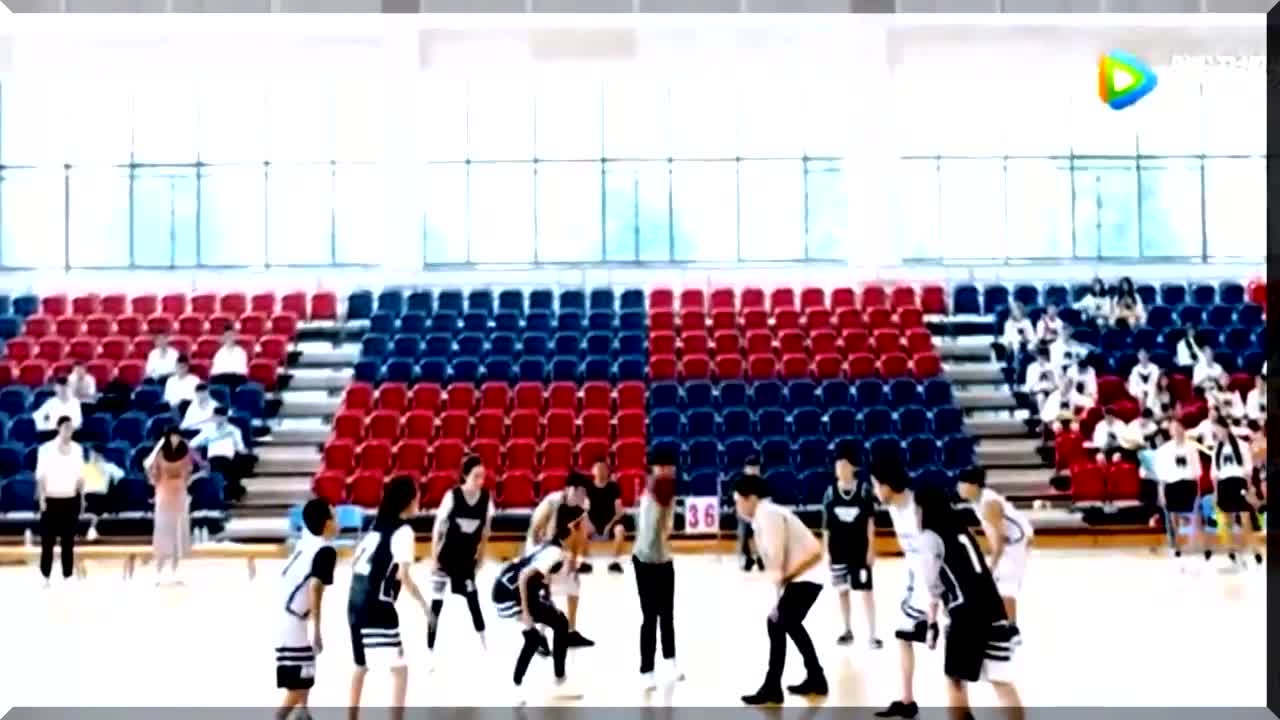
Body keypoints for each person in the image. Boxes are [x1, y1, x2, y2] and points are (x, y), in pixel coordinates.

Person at [914, 488, 1024, 720]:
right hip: (994, 608)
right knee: (1002, 681)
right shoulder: (963, 530)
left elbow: (931, 584)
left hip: (965, 614)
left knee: (955, 680)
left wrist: (931, 622)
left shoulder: (930, 537)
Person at [733, 470, 828, 705]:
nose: (736, 507)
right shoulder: (764, 515)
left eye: (738, 501)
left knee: (777, 623)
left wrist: (775, 600)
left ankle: (773, 687)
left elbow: (776, 560)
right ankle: (815, 677)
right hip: (803, 576)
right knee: (788, 624)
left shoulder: (767, 514)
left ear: (750, 498)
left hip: (805, 576)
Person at [347, 476, 428, 720]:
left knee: (361, 667)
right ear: (407, 500)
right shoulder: (404, 531)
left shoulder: (375, 526)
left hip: (354, 601)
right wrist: (425, 606)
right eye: (416, 495)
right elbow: (404, 576)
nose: (419, 499)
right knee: (400, 670)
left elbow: (354, 562)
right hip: (377, 605)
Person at [492, 503, 589, 704]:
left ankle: (559, 679)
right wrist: (527, 616)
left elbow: (537, 578)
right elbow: (524, 577)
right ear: (573, 527)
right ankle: (517, 686)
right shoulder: (554, 553)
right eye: (584, 525)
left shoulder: (553, 546)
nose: (587, 530)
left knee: (559, 622)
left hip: (511, 590)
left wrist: (545, 604)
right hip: (508, 595)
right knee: (534, 638)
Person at [871, 459, 933, 720]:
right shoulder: (893, 506)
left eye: (876, 485)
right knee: (903, 634)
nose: (874, 491)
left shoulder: (919, 506)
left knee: (945, 640)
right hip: (914, 580)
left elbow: (938, 549)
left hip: (933, 580)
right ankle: (907, 700)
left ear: (887, 485)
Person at [427, 455, 494, 662]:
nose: (480, 480)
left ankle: (484, 644)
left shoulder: (486, 498)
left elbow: (485, 530)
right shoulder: (452, 496)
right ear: (465, 475)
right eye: (476, 476)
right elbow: (438, 528)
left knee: (473, 599)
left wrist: (481, 556)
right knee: (436, 604)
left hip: (466, 560)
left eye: (482, 476)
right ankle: (429, 649)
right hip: (445, 557)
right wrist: (433, 557)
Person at [276, 498, 338, 720]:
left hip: (282, 616)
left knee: (304, 673)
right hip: (294, 622)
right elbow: (315, 588)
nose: (338, 522)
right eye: (335, 517)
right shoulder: (326, 551)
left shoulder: (304, 542)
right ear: (327, 523)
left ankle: (303, 713)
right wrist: (317, 630)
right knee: (300, 684)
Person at [955, 467, 1032, 625]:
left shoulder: (989, 503)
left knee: (1005, 587)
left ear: (974, 484)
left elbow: (999, 538)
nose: (958, 487)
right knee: (996, 585)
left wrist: (992, 564)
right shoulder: (978, 500)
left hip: (1016, 544)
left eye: (962, 483)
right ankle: (1000, 624)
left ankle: (1011, 627)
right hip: (1011, 540)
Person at [525, 472, 593, 648]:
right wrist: (542, 562)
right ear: (571, 489)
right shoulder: (552, 502)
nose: (584, 496)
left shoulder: (582, 506)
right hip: (539, 549)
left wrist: (574, 560)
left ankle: (570, 632)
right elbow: (535, 530)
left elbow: (579, 534)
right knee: (543, 591)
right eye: (582, 492)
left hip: (559, 549)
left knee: (574, 584)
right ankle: (539, 637)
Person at [632, 447, 681, 690]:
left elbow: (666, 529)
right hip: (646, 561)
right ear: (655, 469)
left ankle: (671, 662)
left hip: (663, 559)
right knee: (650, 617)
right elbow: (648, 536)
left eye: (670, 467)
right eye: (663, 467)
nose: (669, 471)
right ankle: (646, 671)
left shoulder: (668, 491)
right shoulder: (651, 495)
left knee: (667, 614)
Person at [823, 448, 881, 649]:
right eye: (837, 465)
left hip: (859, 550)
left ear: (853, 468)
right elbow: (826, 527)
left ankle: (872, 634)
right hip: (838, 550)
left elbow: (871, 523)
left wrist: (871, 548)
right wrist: (826, 552)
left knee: (866, 592)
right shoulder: (830, 492)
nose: (840, 469)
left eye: (844, 465)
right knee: (842, 591)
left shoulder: (864, 490)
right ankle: (847, 630)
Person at [35, 416, 87, 587]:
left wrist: (82, 498)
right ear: (58, 428)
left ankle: (67, 575)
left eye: (71, 428)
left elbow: (81, 476)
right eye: (65, 427)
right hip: (51, 499)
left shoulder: (77, 449)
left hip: (70, 499)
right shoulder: (46, 449)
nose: (68, 431)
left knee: (68, 541)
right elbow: (41, 476)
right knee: (47, 541)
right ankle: (45, 576)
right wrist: (42, 498)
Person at [1211, 419, 1263, 569]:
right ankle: (1234, 552)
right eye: (1215, 430)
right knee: (1229, 522)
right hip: (1224, 485)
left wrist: (1249, 488)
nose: (1217, 433)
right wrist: (1216, 492)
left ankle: (1255, 551)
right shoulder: (1217, 448)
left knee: (1245, 520)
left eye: (1218, 429)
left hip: (1239, 483)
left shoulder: (1241, 445)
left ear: (1226, 428)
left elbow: (1248, 469)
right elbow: (1215, 473)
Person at [145, 427, 194, 584]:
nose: (175, 439)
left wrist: (181, 485)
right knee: (162, 531)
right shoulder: (159, 454)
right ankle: (158, 571)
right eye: (172, 437)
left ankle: (175, 571)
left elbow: (187, 473)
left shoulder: (184, 454)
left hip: (179, 494)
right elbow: (150, 469)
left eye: (177, 437)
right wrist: (156, 483)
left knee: (177, 533)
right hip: (163, 493)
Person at [1154, 418, 1204, 561]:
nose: (1177, 430)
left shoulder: (1192, 448)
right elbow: (1161, 474)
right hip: (1172, 484)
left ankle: (1195, 543)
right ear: (1170, 431)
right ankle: (1175, 543)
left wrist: (1198, 487)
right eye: (1174, 428)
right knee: (1173, 515)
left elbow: (1197, 469)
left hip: (1189, 483)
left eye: (1179, 427)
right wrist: (1161, 492)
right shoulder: (1163, 450)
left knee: (1194, 514)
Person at [580, 457, 628, 575]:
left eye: (603, 468)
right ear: (593, 471)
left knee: (620, 530)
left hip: (610, 522)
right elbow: (584, 510)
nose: (601, 471)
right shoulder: (588, 487)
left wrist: (609, 525)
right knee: (580, 529)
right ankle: (585, 562)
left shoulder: (614, 487)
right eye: (598, 468)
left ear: (608, 471)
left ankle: (615, 562)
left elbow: (619, 511)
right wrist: (589, 523)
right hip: (593, 522)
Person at [191, 406, 249, 503]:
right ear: (213, 417)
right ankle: (221, 495)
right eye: (217, 417)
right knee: (217, 469)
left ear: (226, 417)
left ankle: (233, 492)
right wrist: (200, 460)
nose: (219, 419)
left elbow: (240, 447)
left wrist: (243, 452)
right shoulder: (208, 431)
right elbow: (192, 444)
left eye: (222, 417)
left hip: (229, 459)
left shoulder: (234, 430)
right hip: (214, 459)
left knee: (236, 466)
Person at [737, 455, 764, 571]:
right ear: (746, 469)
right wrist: (748, 517)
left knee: (764, 533)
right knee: (743, 532)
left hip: (760, 515)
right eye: (751, 467)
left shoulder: (763, 483)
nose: (753, 470)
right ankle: (747, 558)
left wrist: (758, 517)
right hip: (744, 516)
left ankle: (762, 558)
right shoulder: (739, 483)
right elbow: (738, 502)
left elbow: (767, 502)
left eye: (755, 467)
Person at [1020, 346, 1058, 416]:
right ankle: (1044, 417)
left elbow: (1057, 385)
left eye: (1043, 357)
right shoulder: (1031, 367)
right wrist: (1038, 377)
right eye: (1040, 357)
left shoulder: (1053, 366)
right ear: (1037, 357)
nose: (1041, 359)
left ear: (1047, 357)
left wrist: (1051, 377)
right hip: (1037, 392)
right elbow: (1029, 386)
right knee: (1041, 397)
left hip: (1051, 391)